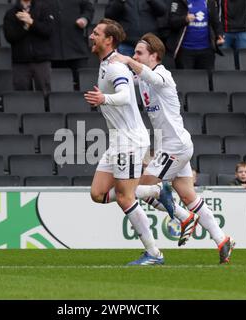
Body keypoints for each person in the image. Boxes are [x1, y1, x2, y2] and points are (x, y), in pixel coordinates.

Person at [111, 32, 235, 264]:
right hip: (172, 145)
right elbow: (126, 79)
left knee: (135, 189)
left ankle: (181, 217)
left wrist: (127, 61)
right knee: (189, 196)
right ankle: (222, 238)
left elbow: (150, 78)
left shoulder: (163, 74)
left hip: (174, 146)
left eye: (139, 53)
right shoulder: (143, 78)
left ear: (154, 56)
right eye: (134, 52)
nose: (134, 56)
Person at [84, 19, 165, 266]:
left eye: (96, 33)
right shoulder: (107, 63)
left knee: (124, 198)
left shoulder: (115, 67)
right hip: (118, 140)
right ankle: (152, 191)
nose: (91, 36)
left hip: (129, 140)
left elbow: (123, 96)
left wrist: (103, 98)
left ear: (108, 40)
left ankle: (154, 253)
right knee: (97, 194)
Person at [3, 0, 54, 96]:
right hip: (20, 61)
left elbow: (48, 31)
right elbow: (10, 37)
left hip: (41, 60)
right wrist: (25, 27)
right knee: (22, 96)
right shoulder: (11, 13)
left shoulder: (44, 9)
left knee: (45, 95)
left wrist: (31, 22)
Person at [167, 0, 225, 70]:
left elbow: (216, 22)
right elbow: (172, 21)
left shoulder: (210, 2)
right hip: (185, 51)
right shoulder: (178, 2)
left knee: (206, 78)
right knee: (186, 79)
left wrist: (220, 35)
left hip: (207, 51)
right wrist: (185, 19)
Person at [49, 0, 94, 90]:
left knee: (84, 86)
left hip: (76, 47)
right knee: (57, 88)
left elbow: (88, 8)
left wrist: (85, 19)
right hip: (52, 50)